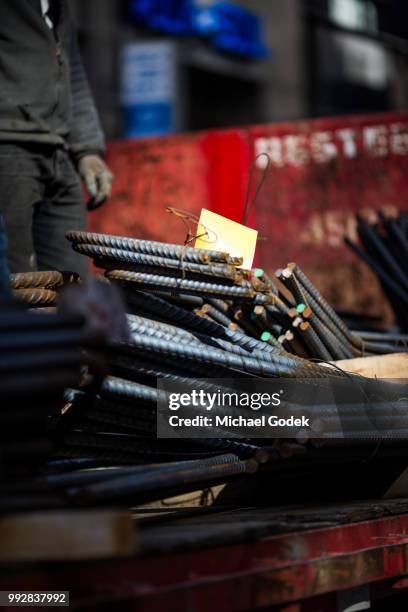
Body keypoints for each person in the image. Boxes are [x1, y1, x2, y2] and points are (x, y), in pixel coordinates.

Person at [0, 0, 113, 279]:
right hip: (9, 149)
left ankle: (62, 323)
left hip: (57, 153)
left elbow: (72, 72)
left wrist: (87, 150)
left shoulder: (56, 8)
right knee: (16, 281)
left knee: (71, 281)